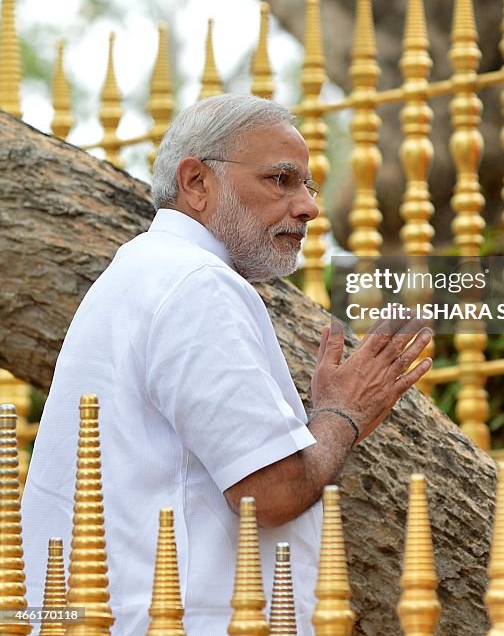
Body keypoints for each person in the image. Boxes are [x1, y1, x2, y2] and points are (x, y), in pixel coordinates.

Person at [21, 94, 432, 635]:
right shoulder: (195, 283)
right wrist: (343, 414)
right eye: (281, 179)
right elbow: (271, 491)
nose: (308, 206)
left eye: (306, 185)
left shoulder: (148, 272)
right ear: (196, 183)